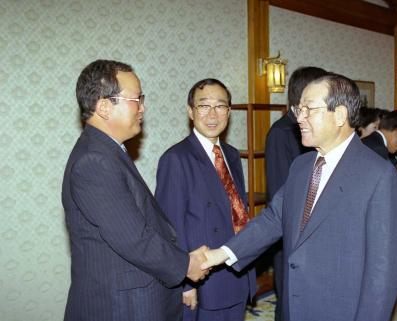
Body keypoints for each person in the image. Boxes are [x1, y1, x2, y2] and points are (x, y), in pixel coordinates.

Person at [201, 73, 397, 321]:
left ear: (340, 115)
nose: (299, 118)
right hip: (293, 306)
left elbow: (382, 276)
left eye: (309, 109)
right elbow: (273, 219)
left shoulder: (380, 177)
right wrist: (219, 254)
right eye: (299, 109)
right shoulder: (301, 165)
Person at [62, 60, 208, 321]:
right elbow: (134, 238)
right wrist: (186, 265)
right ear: (104, 107)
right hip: (120, 307)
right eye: (136, 99)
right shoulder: (94, 161)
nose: (143, 107)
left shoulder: (107, 151)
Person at [155, 78, 256, 321]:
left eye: (220, 106)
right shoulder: (176, 159)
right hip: (204, 281)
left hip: (238, 266)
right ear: (191, 111)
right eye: (204, 106)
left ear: (229, 112)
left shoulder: (231, 155)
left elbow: (236, 212)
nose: (213, 114)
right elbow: (169, 227)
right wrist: (184, 284)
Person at [264, 66, 326, 321]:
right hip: (291, 232)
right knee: (289, 302)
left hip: (310, 231)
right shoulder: (282, 132)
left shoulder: (308, 129)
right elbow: (282, 191)